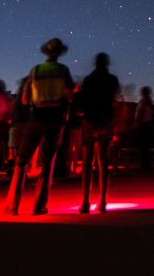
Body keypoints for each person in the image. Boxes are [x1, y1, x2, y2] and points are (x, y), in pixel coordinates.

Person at [7, 38, 74, 215]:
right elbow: (70, 95)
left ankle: (12, 205)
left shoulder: (35, 70)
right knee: (47, 162)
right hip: (56, 119)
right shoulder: (63, 70)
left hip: (36, 117)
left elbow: (24, 98)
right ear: (59, 54)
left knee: (22, 160)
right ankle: (39, 206)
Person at [75, 53, 120, 214]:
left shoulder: (88, 80)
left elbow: (81, 100)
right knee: (103, 162)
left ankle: (85, 202)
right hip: (106, 120)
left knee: (87, 163)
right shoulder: (113, 80)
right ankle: (102, 201)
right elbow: (115, 101)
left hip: (90, 121)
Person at [134, 86, 154, 171]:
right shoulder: (150, 102)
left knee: (143, 147)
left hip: (143, 125)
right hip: (148, 125)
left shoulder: (143, 102)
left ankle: (144, 166)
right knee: (146, 147)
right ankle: (146, 165)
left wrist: (136, 122)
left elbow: (140, 114)